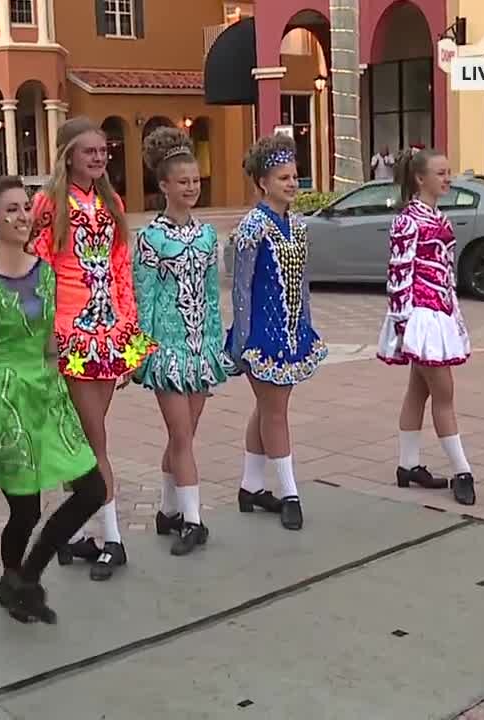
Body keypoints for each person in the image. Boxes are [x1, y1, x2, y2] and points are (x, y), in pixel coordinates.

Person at [0, 176, 106, 622]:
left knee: (92, 488)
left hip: (48, 397)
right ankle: (13, 579)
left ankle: (27, 577)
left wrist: (65, 401)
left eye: (25, 207)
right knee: (26, 507)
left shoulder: (45, 271)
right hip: (6, 402)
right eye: (11, 211)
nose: (22, 217)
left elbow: (51, 346)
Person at [30, 117, 156, 581]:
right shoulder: (48, 203)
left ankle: (112, 538)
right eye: (90, 152)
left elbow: (122, 268)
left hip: (108, 334)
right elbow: (39, 272)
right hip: (70, 334)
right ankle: (89, 533)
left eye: (104, 151)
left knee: (91, 439)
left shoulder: (111, 200)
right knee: (82, 438)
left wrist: (128, 331)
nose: (100, 158)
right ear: (68, 155)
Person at [132, 126, 234, 556]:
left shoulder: (209, 236)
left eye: (195, 180)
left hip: (201, 348)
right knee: (182, 437)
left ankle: (168, 511)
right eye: (183, 182)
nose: (192, 188)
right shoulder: (150, 239)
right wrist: (140, 354)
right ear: (163, 185)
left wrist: (216, 346)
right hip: (167, 351)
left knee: (182, 437)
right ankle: (193, 521)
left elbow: (212, 295)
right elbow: (144, 299)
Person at [227, 134, 328, 532]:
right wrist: (242, 339)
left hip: (291, 331)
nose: (292, 183)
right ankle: (289, 492)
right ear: (263, 182)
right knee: (275, 412)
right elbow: (241, 286)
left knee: (268, 408)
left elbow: (302, 282)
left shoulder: (297, 226)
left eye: (294, 176)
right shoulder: (253, 226)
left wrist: (306, 322)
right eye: (283, 177)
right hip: (263, 335)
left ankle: (251, 486)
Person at [376, 148, 476, 506]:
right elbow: (398, 273)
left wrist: (454, 314)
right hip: (421, 315)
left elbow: (446, 275)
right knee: (444, 394)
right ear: (421, 179)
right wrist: (403, 325)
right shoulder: (408, 221)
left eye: (448, 172)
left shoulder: (439, 218)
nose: (447, 178)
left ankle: (408, 465)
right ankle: (462, 471)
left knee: (419, 391)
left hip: (439, 312)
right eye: (440, 173)